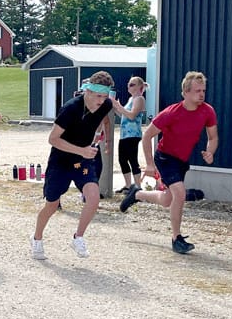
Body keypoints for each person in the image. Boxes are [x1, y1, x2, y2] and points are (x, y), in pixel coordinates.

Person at [120, 71, 218, 254]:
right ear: (186, 92)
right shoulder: (172, 113)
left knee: (168, 200)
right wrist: (149, 164)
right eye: (197, 91)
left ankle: (137, 194)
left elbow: (213, 137)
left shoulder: (207, 111)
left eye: (203, 90)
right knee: (179, 194)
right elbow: (147, 135)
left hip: (181, 160)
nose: (202, 94)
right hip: (164, 157)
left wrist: (210, 152)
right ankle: (176, 238)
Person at [30, 71, 115, 260]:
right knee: (51, 205)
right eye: (99, 96)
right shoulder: (70, 109)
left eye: (105, 96)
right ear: (88, 91)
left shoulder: (106, 104)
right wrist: (82, 150)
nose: (102, 100)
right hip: (60, 161)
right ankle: (37, 238)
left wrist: (99, 136)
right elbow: (52, 139)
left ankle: (78, 237)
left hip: (83, 160)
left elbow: (104, 120)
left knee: (93, 197)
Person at [112, 77, 147, 193]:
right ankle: (128, 185)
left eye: (132, 84)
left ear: (139, 87)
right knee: (122, 159)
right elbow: (123, 115)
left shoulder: (139, 99)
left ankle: (137, 186)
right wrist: (115, 108)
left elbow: (132, 115)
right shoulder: (131, 99)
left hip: (133, 134)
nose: (129, 86)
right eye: (128, 84)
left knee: (132, 159)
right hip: (125, 134)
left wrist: (118, 106)